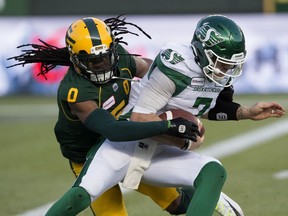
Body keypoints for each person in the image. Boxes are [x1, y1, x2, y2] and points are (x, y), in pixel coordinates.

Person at [43, 14, 285, 216]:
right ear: (77, 60)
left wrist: (240, 110)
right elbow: (113, 130)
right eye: (94, 61)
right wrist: (169, 125)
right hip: (97, 149)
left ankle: (202, 195)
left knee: (185, 198)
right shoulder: (75, 91)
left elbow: (159, 76)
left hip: (145, 140)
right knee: (87, 199)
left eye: (107, 56)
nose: (104, 64)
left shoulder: (123, 59)